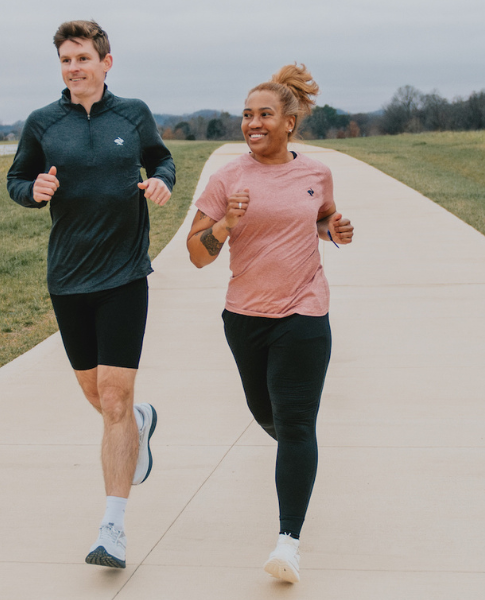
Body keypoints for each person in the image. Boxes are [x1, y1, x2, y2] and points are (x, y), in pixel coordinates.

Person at [7, 20, 175, 570]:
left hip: (124, 274)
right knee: (100, 400)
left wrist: (161, 182)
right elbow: (17, 179)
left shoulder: (133, 114)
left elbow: (162, 158)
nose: (74, 68)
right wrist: (33, 191)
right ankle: (142, 422)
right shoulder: (43, 123)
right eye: (65, 60)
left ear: (107, 62)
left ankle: (113, 527)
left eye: (82, 58)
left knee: (113, 399)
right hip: (68, 277)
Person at [186, 63, 353, 583]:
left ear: (290, 122)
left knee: (298, 422)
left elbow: (322, 216)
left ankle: (288, 541)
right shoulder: (228, 178)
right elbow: (195, 254)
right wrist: (228, 222)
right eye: (246, 115)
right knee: (270, 416)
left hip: (305, 311)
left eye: (264, 115)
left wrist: (334, 228)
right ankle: (298, 458)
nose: (252, 123)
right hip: (244, 316)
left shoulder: (315, 174)